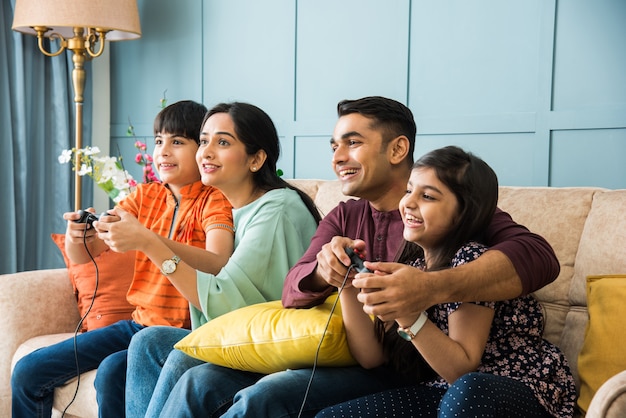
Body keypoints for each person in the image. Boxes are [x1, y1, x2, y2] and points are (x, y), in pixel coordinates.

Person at [156, 96, 562, 417]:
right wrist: (328, 271)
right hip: (370, 355)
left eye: (352, 142)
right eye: (334, 145)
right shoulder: (345, 214)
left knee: (267, 395)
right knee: (192, 374)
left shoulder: (454, 212)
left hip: (417, 372)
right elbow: (294, 289)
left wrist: (426, 289)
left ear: (398, 149)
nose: (337, 157)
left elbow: (539, 257)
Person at [11, 100, 236, 418]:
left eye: (177, 142)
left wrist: (150, 240)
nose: (163, 151)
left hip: (181, 334)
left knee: (113, 371)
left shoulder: (214, 199)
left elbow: (218, 259)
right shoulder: (145, 197)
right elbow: (88, 253)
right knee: (28, 371)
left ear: (201, 150)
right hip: (136, 324)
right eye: (159, 141)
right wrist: (78, 236)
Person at [316, 145, 576, 417]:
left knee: (467, 390)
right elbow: (371, 357)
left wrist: (409, 313)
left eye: (427, 196)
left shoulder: (472, 260)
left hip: (513, 388)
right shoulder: (413, 268)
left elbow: (461, 369)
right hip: (445, 390)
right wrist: (345, 282)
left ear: (464, 213)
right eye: (409, 190)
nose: (408, 203)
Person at [124, 102, 321, 418]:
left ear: (256, 159)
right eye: (203, 141)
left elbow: (224, 302)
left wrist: (151, 244)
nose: (206, 152)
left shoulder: (277, 211)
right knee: (148, 343)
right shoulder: (237, 209)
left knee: (183, 361)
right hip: (243, 336)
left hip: (276, 348)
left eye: (223, 142)